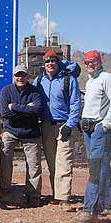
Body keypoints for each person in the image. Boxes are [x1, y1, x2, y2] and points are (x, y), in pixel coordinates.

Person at [73, 50, 111, 223]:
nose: (88, 65)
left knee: (95, 168)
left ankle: (90, 210)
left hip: (101, 128)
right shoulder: (91, 80)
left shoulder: (107, 78)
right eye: (86, 62)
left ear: (100, 62)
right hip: (89, 129)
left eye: (92, 62)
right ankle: (109, 205)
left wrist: (106, 125)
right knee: (101, 166)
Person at [34, 50, 81, 211]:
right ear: (44, 64)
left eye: (53, 61)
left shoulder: (69, 79)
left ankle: (64, 198)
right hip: (46, 125)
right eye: (47, 62)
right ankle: (56, 194)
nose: (50, 64)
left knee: (64, 162)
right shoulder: (39, 80)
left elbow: (75, 103)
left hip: (64, 125)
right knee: (52, 162)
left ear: (58, 62)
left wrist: (70, 124)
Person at [0, 65, 43, 207]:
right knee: (4, 157)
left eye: (23, 75)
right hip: (10, 131)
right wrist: (26, 109)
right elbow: (5, 113)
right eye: (17, 75)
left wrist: (15, 107)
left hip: (31, 132)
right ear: (14, 77)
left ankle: (33, 195)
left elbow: (37, 110)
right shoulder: (6, 91)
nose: (20, 78)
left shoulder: (35, 91)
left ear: (27, 76)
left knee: (34, 164)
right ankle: (4, 189)